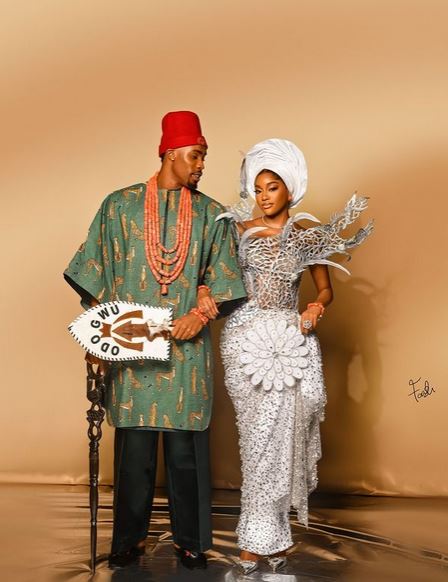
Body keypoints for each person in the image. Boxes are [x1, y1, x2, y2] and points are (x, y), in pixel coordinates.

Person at [64, 111, 246, 569]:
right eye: (195, 155)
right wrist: (99, 335)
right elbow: (94, 269)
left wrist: (200, 316)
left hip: (187, 348)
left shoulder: (211, 214)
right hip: (132, 345)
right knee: (134, 451)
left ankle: (191, 541)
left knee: (186, 452)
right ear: (169, 153)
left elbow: (225, 278)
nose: (201, 164)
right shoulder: (119, 206)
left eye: (203, 156)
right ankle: (127, 540)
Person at [200, 138, 373, 574]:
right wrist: (203, 289)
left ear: (290, 189)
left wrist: (315, 307)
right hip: (245, 341)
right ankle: (254, 538)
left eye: (272, 187)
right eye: (258, 189)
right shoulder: (237, 231)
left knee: (283, 440)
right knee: (256, 439)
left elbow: (326, 290)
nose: (263, 196)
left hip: (290, 341)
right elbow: (212, 273)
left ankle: (270, 537)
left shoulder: (308, 236)